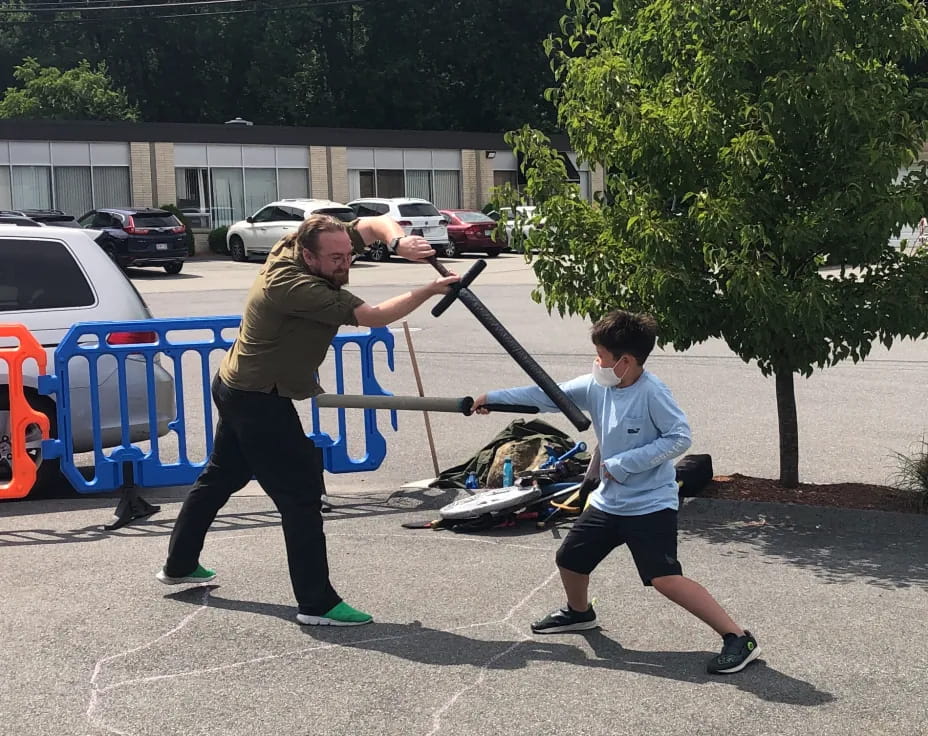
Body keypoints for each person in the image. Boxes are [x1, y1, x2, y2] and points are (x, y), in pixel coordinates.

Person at [156, 213, 458, 627]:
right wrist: (431, 288)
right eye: (335, 258)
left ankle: (180, 564)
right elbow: (374, 316)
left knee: (221, 475)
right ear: (307, 255)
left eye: (347, 254)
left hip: (238, 384)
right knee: (300, 498)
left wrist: (398, 242)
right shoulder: (295, 286)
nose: (345, 263)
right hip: (258, 398)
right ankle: (316, 603)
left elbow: (374, 223)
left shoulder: (299, 243)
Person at [472, 310, 761, 674]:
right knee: (570, 560)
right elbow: (548, 395)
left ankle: (738, 637)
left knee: (664, 579)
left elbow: (679, 437)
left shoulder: (653, 393)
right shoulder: (599, 386)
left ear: (625, 362)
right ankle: (580, 614)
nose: (597, 362)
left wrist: (624, 463)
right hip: (610, 502)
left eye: (602, 357)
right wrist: (492, 398)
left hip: (650, 503)